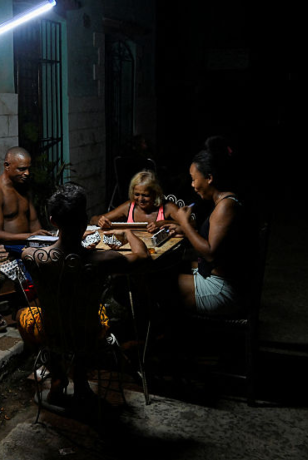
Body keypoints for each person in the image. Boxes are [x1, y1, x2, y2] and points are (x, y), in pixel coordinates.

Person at [18, 183, 150, 411]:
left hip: (52, 331)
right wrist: (128, 232)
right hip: (90, 334)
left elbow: (45, 254)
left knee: (23, 315)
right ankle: (80, 382)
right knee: (93, 312)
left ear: (53, 221)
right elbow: (142, 256)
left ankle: (58, 376)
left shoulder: (33, 257)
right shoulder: (103, 260)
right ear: (84, 219)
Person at [169, 136, 247, 317]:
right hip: (216, 277)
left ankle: (160, 339)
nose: (193, 185)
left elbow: (210, 251)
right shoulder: (223, 201)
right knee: (172, 266)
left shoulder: (226, 206)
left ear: (209, 178)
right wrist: (187, 231)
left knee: (159, 284)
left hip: (222, 289)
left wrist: (184, 224)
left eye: (194, 179)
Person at [0, 147, 51, 281]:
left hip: (27, 244)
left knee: (55, 255)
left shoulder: (25, 188)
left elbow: (33, 221)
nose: (27, 173)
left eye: (28, 168)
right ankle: (34, 300)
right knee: (34, 264)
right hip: (4, 249)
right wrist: (30, 236)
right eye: (21, 169)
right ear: (7, 166)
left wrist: (43, 240)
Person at [90, 170, 180, 233]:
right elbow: (93, 219)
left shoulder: (167, 207)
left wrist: (164, 223)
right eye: (137, 194)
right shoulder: (129, 207)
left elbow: (191, 224)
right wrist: (100, 221)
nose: (140, 199)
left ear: (155, 194)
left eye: (145, 195)